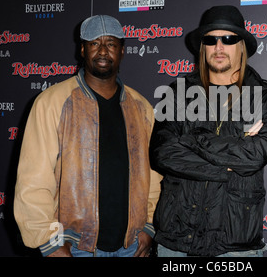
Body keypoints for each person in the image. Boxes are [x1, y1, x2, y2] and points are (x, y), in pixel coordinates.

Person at [14, 15, 162, 257]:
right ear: (82, 49)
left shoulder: (141, 107)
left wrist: (148, 226)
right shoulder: (52, 102)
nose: (103, 51)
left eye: (111, 44)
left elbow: (154, 177)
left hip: (132, 246)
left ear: (122, 51)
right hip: (73, 245)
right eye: (94, 43)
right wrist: (48, 242)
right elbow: (33, 180)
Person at [150, 5, 267, 257]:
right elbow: (162, 153)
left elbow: (254, 156)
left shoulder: (265, 96)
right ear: (203, 48)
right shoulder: (178, 92)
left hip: (233, 243)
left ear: (241, 45)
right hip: (176, 239)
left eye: (228, 39)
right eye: (211, 40)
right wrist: (229, 163)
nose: (219, 46)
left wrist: (192, 138)